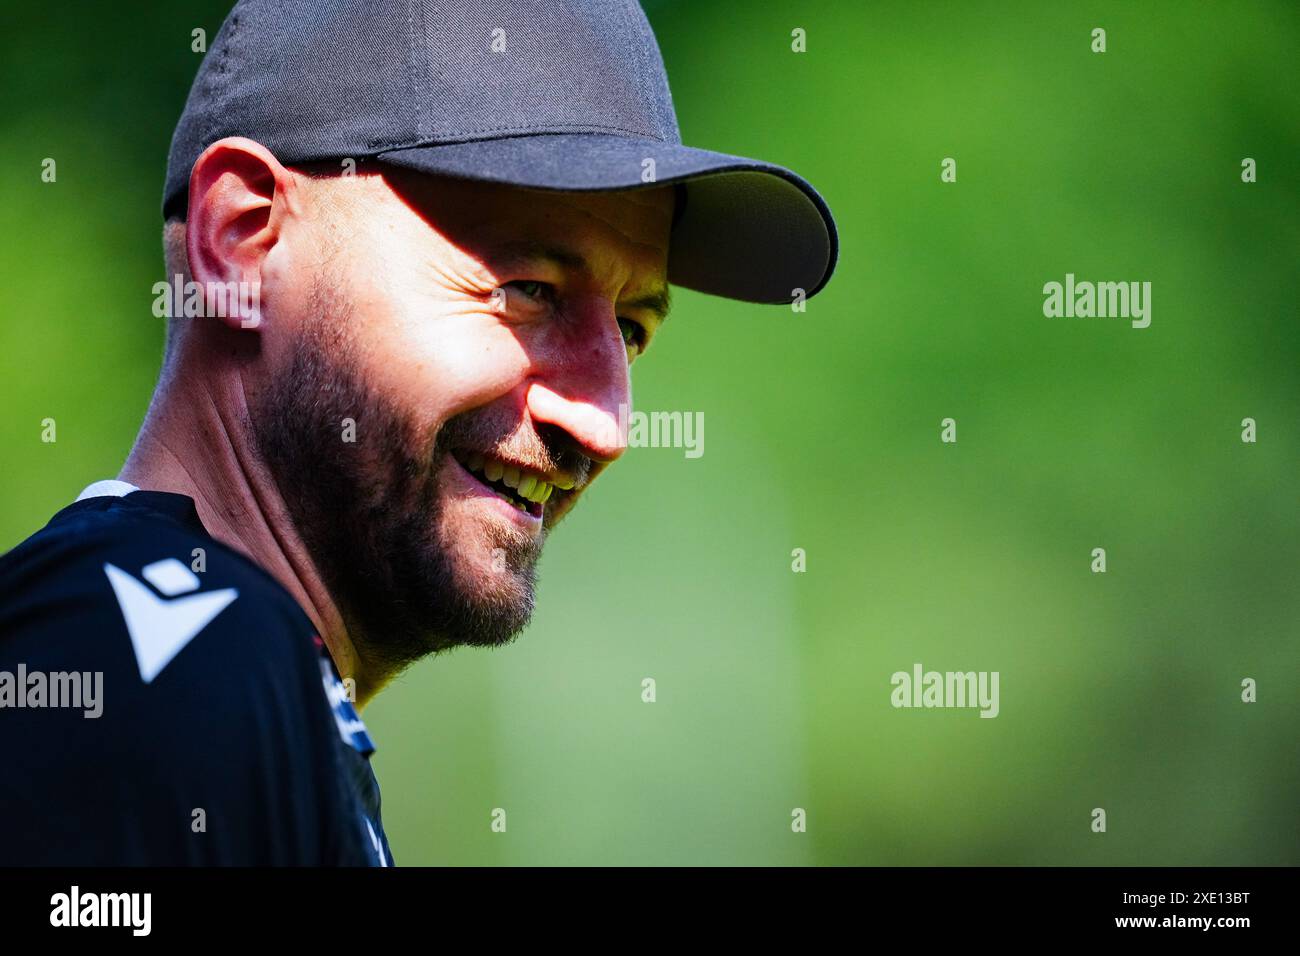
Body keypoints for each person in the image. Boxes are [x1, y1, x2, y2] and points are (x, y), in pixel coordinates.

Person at [0, 0, 836, 865]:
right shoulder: (157, 662)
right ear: (241, 242)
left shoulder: (240, 690)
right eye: (527, 289)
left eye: (630, 329)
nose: (605, 423)